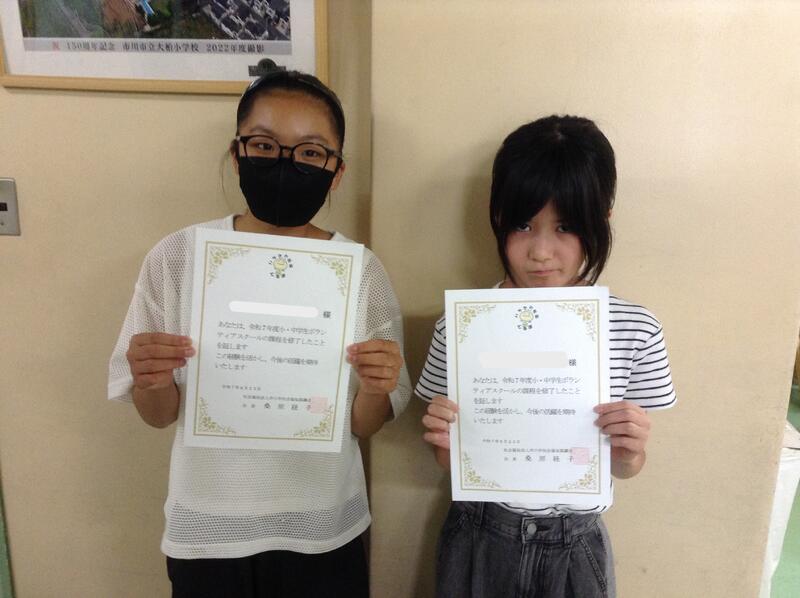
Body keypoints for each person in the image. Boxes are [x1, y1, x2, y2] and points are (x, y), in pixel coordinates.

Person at [108, 69, 411, 598]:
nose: (287, 163)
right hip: (208, 527)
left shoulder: (360, 271)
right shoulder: (179, 257)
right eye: (265, 145)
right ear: (237, 154)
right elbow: (158, 415)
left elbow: (364, 425)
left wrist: (376, 387)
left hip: (322, 527)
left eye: (311, 152)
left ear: (336, 171)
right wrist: (151, 379)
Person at [417, 115, 677, 598]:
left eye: (566, 227)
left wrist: (631, 449)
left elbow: (625, 467)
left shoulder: (634, 328)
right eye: (523, 224)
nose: (541, 251)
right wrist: (444, 440)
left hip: (575, 542)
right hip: (479, 533)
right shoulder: (461, 326)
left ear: (602, 219)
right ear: (497, 217)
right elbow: (447, 460)